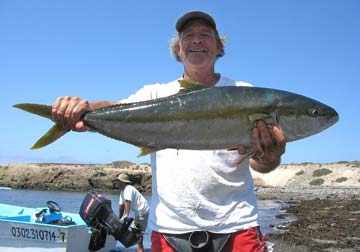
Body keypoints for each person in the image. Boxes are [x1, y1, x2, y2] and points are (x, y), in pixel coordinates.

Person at [52, 11, 286, 252]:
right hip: (169, 231)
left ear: (218, 47)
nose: (196, 40)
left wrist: (271, 156)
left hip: (236, 225)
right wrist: (84, 111)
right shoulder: (155, 95)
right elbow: (114, 108)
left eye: (205, 35)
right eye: (188, 36)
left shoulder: (243, 94)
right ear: (178, 49)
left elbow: (260, 166)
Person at [115, 173, 150, 252]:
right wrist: (119, 218)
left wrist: (126, 215)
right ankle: (140, 248)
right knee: (134, 229)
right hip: (138, 211)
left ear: (123, 182)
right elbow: (121, 206)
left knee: (137, 230)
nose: (117, 182)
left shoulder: (128, 189)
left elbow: (128, 202)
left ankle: (140, 249)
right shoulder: (122, 192)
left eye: (118, 181)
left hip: (142, 210)